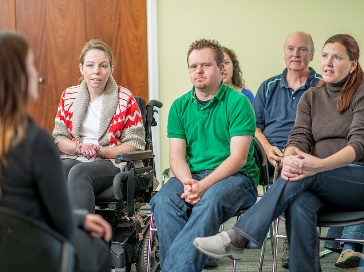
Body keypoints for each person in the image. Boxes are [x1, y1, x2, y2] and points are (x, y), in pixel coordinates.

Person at [193, 33, 364, 272]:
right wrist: (291, 156)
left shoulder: (361, 92)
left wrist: (316, 165)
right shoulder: (312, 96)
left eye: (337, 57)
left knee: (305, 174)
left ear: (353, 64)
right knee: (299, 202)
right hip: (319, 182)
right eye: (326, 56)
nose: (328, 62)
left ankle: (239, 237)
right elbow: (298, 137)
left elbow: (358, 146)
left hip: (356, 179)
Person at [0, 31, 112, 272]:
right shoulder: (35, 142)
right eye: (30, 65)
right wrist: (81, 219)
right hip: (32, 248)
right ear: (17, 76)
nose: (35, 73)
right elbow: (63, 224)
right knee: (98, 250)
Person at [150, 38, 259, 271]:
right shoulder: (179, 106)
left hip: (238, 178)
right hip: (192, 176)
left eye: (206, 65)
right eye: (193, 66)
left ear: (221, 69)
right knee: (163, 201)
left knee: (208, 202)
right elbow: (177, 157)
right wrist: (189, 182)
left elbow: (238, 158)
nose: (198, 71)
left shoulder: (239, 103)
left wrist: (204, 185)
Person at [253, 31, 321, 268]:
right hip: (270, 156)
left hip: (307, 154)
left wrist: (296, 154)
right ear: (284, 53)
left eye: (302, 49)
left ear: (312, 54)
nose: (296, 54)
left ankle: (252, 233)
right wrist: (269, 149)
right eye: (291, 48)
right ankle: (295, 249)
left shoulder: (323, 85)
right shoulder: (268, 86)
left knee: (297, 174)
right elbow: (254, 129)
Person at [52, 39, 145, 213]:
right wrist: (79, 148)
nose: (96, 72)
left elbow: (135, 143)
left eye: (103, 66)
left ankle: (84, 239)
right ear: (81, 68)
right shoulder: (69, 96)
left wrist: (101, 151)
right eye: (90, 65)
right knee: (54, 170)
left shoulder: (124, 98)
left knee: (80, 173)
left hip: (110, 160)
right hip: (75, 156)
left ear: (111, 69)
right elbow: (60, 136)